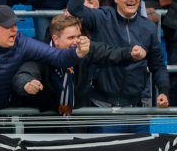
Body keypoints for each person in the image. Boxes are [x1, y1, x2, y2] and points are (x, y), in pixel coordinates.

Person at [0, 4, 84, 111]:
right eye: (9, 26)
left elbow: (58, 57)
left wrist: (78, 52)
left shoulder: (23, 44)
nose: (15, 30)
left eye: (15, 24)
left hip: (5, 114)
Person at [68, 0, 170, 111]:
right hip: (102, 106)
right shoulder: (102, 17)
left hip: (136, 107)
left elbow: (158, 66)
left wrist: (164, 91)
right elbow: (75, 9)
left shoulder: (149, 28)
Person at [14, 13, 144, 114]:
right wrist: (27, 84)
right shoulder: (40, 51)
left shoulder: (83, 48)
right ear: (55, 39)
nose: (76, 41)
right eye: (70, 38)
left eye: (78, 36)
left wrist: (130, 54)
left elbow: (108, 53)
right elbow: (26, 72)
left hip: (77, 116)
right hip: (45, 119)